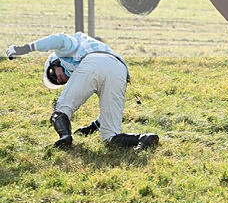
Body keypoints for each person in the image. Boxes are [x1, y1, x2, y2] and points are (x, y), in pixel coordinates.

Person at [5, 32, 159, 151]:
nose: (59, 80)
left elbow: (57, 39)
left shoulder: (64, 51)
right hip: (120, 69)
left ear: (54, 63)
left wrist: (24, 49)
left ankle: (65, 137)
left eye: (53, 75)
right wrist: (92, 127)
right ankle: (143, 138)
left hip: (95, 60)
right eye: (57, 82)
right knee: (109, 137)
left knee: (61, 109)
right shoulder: (82, 68)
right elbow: (107, 105)